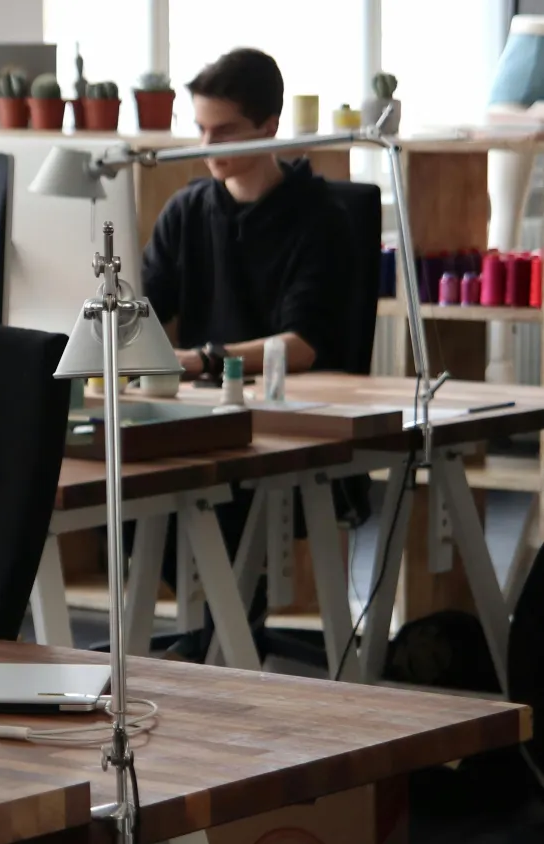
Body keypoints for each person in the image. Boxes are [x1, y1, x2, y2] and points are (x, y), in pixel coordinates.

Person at [136, 47, 360, 661]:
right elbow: (139, 317)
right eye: (201, 129)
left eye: (225, 130)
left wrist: (201, 360)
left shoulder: (322, 218)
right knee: (127, 490)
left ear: (269, 126)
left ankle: (221, 644)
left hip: (285, 432)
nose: (208, 145)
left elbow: (302, 344)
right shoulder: (186, 210)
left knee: (213, 502)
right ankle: (212, 644)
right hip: (199, 420)